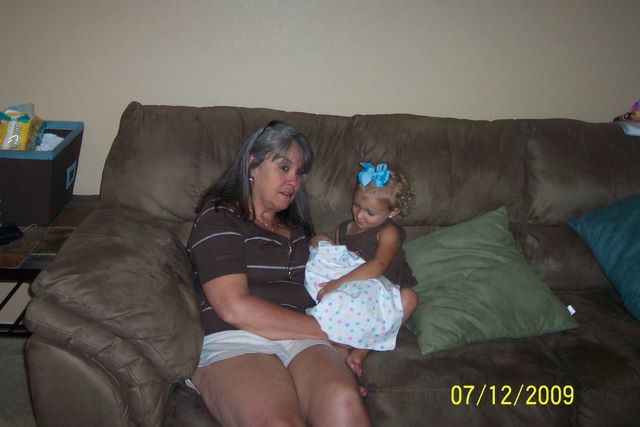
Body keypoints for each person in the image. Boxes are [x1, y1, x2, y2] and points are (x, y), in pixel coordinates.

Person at [186, 121, 371, 427]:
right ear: (252, 165)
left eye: (299, 172)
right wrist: (331, 332)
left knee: (344, 401)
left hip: (302, 339)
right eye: (284, 167)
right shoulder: (220, 217)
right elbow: (233, 306)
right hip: (236, 336)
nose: (293, 181)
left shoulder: (297, 229)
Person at [308, 162, 419, 380]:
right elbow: (339, 259)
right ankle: (337, 340)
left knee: (411, 298)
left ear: (392, 211)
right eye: (356, 205)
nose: (359, 215)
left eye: (370, 212)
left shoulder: (389, 232)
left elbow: (378, 266)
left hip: (386, 297)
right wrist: (323, 243)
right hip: (357, 294)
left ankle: (363, 350)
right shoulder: (343, 229)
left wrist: (337, 283)